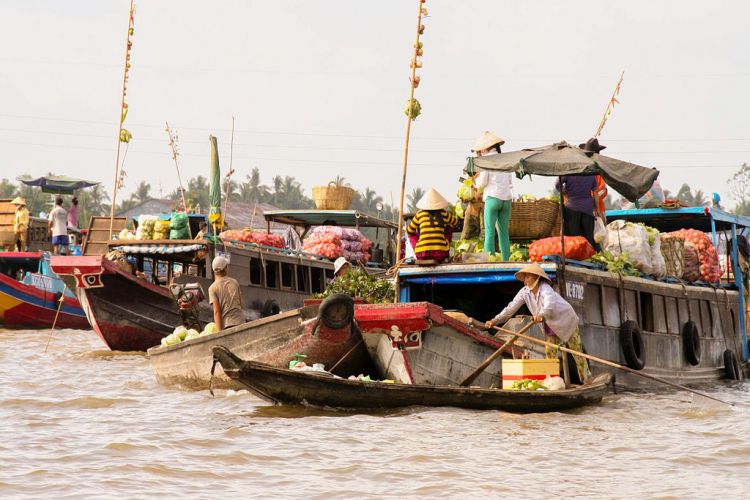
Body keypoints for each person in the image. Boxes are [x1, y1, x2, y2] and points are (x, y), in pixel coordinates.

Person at [485, 263, 590, 383]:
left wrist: (540, 315)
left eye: (528, 276)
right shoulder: (524, 292)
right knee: (550, 353)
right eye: (525, 276)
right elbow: (510, 308)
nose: (526, 279)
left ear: (536, 277)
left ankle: (586, 378)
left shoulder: (546, 289)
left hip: (565, 319)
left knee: (576, 351)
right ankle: (552, 381)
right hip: (549, 324)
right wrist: (494, 321)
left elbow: (549, 305)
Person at [472, 131, 513, 259]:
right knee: (503, 233)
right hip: (506, 199)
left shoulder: (487, 160)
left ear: (485, 148)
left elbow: (482, 182)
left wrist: (475, 183)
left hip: (492, 198)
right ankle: (506, 260)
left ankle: (489, 259)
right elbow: (510, 182)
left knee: (489, 232)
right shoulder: (505, 160)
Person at [406, 188, 458, 263]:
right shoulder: (444, 213)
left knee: (412, 234)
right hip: (441, 253)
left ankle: (421, 247)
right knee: (449, 228)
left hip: (422, 254)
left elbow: (409, 231)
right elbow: (455, 223)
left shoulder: (420, 214)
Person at [208, 255, 245, 331]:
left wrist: (219, 332)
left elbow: (217, 312)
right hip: (241, 323)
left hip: (227, 326)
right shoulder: (235, 282)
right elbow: (241, 304)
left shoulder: (212, 288)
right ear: (225, 268)